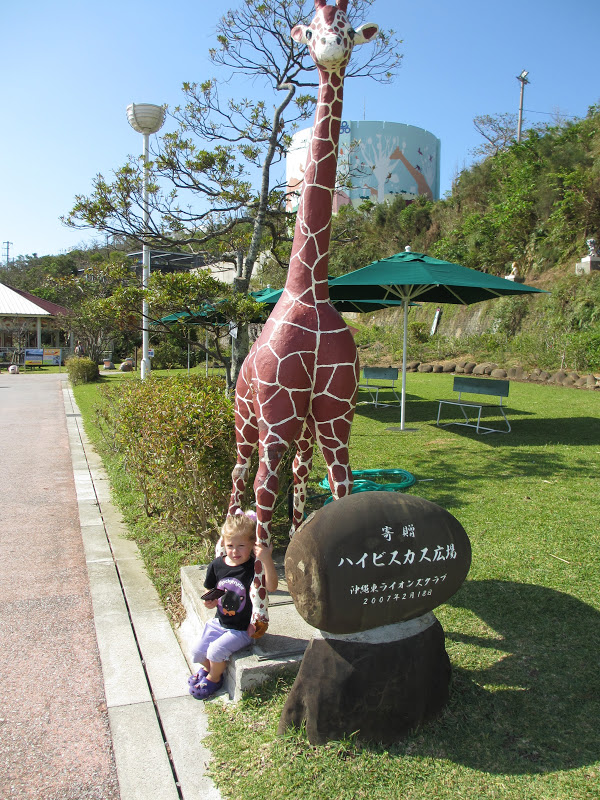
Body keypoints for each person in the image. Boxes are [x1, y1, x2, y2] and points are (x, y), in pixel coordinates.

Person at [188, 510, 278, 700]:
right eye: (230, 546)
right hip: (219, 622)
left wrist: (266, 559)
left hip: (241, 630)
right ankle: (207, 669)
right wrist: (209, 602)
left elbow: (271, 586)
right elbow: (210, 594)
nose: (235, 551)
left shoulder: (253, 567)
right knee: (196, 651)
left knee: (215, 651)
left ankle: (214, 678)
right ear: (224, 543)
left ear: (252, 545)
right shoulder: (217, 565)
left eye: (241, 546)